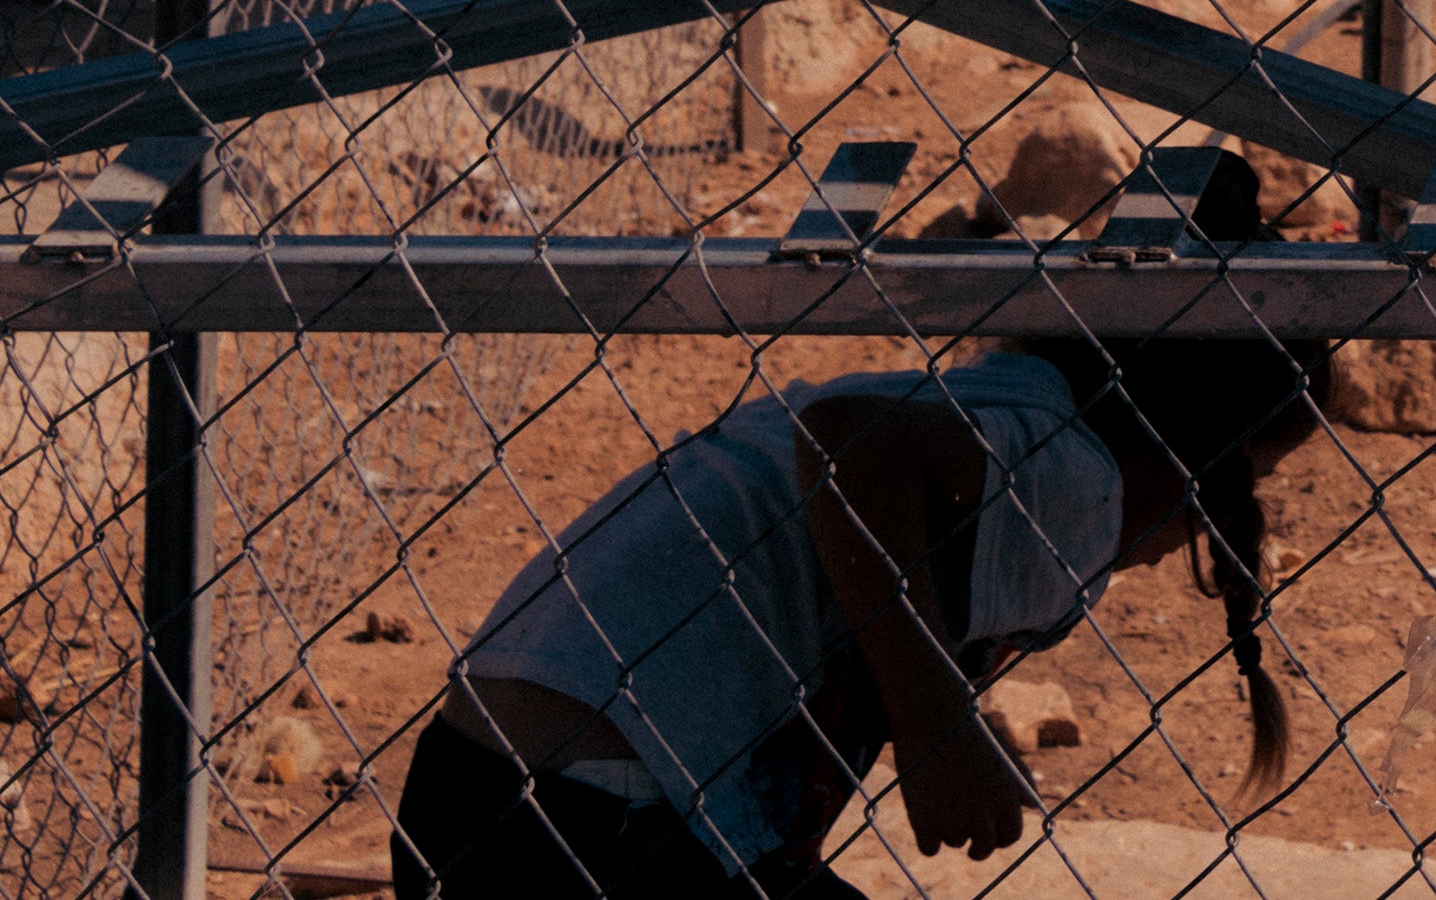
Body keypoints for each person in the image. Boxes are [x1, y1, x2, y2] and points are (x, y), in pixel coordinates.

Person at [389, 320, 1321, 897]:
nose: (1225, 521)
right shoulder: (1085, 480)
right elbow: (851, 446)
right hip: (593, 828)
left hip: (472, 793)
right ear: (1198, 453)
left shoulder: (1008, 401)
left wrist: (945, 710)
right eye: (1253, 479)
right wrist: (934, 726)